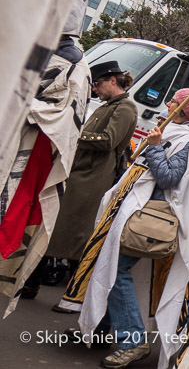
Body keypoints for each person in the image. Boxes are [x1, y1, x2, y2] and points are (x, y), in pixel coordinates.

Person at [73, 88, 189, 369]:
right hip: (136, 212)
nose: (167, 102)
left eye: (173, 100)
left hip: (149, 218)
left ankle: (133, 340)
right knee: (112, 266)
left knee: (116, 268)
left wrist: (156, 146)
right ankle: (99, 328)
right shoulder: (172, 130)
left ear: (180, 109)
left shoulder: (188, 140)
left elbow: (169, 179)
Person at [0, 0, 93, 308]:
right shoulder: (29, 43)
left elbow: (66, 117)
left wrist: (26, 103)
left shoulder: (76, 65)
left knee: (17, 205)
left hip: (34, 146)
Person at [47, 60, 138, 288]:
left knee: (77, 228)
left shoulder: (125, 108)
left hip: (94, 176)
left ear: (112, 81)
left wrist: (75, 134)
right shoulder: (108, 105)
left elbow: (108, 140)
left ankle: (72, 283)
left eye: (97, 84)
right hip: (82, 171)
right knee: (64, 223)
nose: (94, 89)